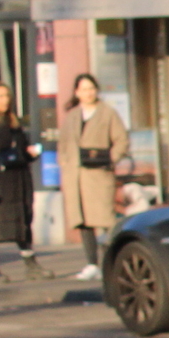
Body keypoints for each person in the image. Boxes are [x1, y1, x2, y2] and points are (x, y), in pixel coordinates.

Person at [58, 74, 129, 282]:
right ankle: (91, 263)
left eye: (91, 88)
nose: (88, 93)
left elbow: (121, 140)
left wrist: (110, 159)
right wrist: (64, 161)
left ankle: (112, 261)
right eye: (84, 89)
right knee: (83, 222)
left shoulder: (108, 113)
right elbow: (63, 143)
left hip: (98, 174)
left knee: (105, 219)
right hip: (75, 177)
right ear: (77, 92)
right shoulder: (72, 115)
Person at [0, 80, 40, 281]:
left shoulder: (14, 123)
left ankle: (31, 265)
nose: (5, 100)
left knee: (22, 222)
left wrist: (30, 154)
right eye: (0, 96)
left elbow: (20, 150)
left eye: (7, 96)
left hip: (18, 181)